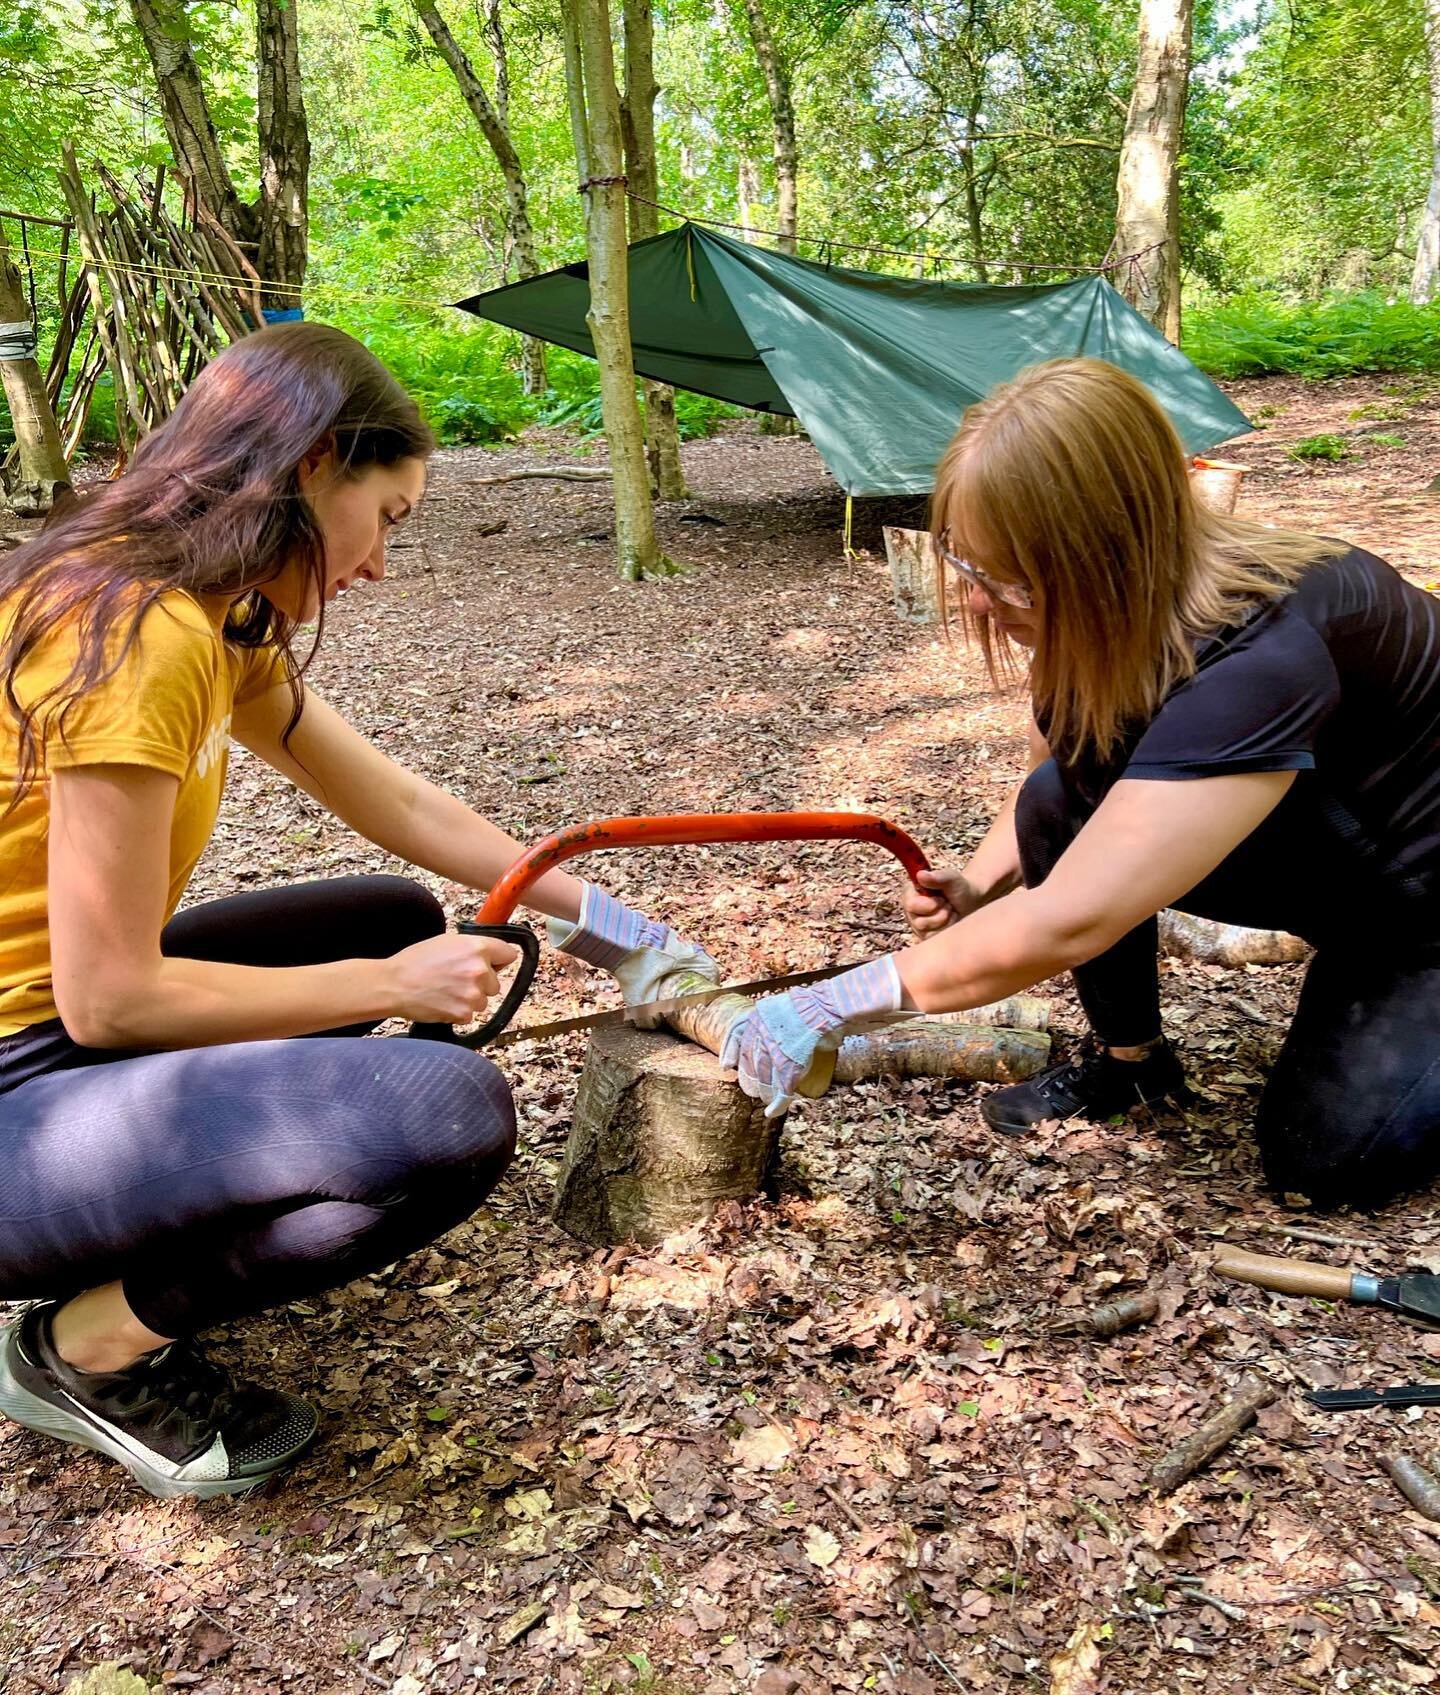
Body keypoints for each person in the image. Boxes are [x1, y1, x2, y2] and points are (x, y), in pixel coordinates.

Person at [0, 323, 714, 1499]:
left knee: (386, 912)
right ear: (316, 463)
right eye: (388, 519)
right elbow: (114, 995)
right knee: (446, 1118)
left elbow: (396, 801)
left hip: (52, 1042)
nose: (380, 565)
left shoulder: (216, 615)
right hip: (23, 1083)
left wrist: (639, 946)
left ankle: (150, 1222)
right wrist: (394, 991)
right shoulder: (136, 634)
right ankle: (83, 1349)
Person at [722, 357, 1440, 1208]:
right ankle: (1132, 1064)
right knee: (1060, 800)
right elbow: (1051, 787)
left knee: (1329, 1164)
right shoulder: (1104, 617)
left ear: (1106, 557)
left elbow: (1074, 918)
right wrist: (980, 881)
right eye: (968, 565)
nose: (980, 602)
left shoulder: (1264, 658)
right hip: (1323, 840)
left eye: (1007, 579)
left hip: (1415, 904)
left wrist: (836, 1003)